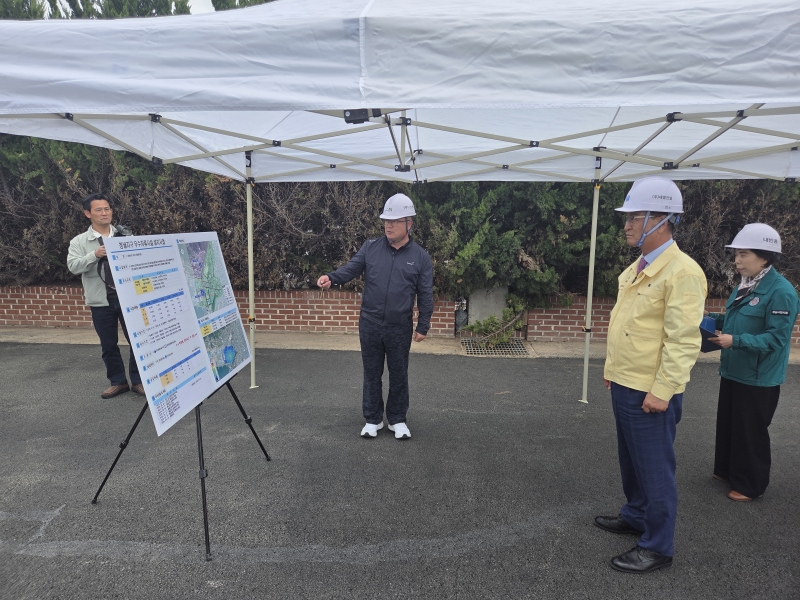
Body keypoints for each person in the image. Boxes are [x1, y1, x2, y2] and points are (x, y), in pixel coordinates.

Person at [596, 177, 707, 574]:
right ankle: (636, 515)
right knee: (631, 460)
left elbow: (683, 340)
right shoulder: (640, 267)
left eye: (634, 216)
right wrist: (612, 370)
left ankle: (657, 546)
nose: (626, 224)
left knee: (655, 468)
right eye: (627, 217)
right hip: (627, 382)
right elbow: (628, 325)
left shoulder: (682, 272)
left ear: (662, 219)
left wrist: (663, 390)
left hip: (650, 390)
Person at [316, 193, 433, 440]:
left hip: (399, 327)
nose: (388, 226)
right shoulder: (370, 248)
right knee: (371, 373)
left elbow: (425, 294)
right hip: (370, 323)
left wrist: (423, 325)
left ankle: (398, 419)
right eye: (386, 221)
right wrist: (332, 277)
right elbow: (351, 268)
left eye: (395, 221)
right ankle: (373, 419)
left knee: (399, 374)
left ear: (409, 223)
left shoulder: (420, 257)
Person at [707, 224, 799, 502]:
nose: (737, 260)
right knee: (729, 424)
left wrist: (735, 341)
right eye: (736, 254)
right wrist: (711, 319)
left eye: (743, 254)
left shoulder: (781, 292)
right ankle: (727, 470)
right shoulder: (745, 285)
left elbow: (776, 339)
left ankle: (750, 484)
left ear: (765, 257)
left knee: (750, 431)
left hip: (759, 376)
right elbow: (735, 319)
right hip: (734, 369)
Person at [67, 193, 143, 399]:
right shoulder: (79, 241)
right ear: (88, 213)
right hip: (101, 301)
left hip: (128, 298)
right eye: (98, 210)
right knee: (108, 345)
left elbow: (140, 262)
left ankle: (138, 380)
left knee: (137, 341)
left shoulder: (125, 237)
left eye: (107, 209)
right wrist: (94, 255)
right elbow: (73, 266)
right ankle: (118, 382)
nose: (104, 213)